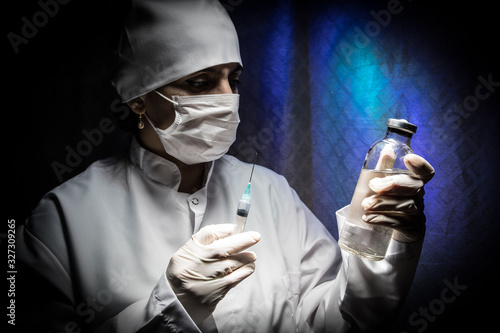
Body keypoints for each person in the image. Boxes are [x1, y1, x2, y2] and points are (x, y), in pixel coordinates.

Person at [17, 0, 435, 332]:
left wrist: (380, 239)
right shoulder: (62, 219)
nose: (226, 98)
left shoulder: (269, 191)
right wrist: (171, 308)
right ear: (138, 99)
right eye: (199, 84)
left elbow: (338, 320)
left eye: (232, 79)